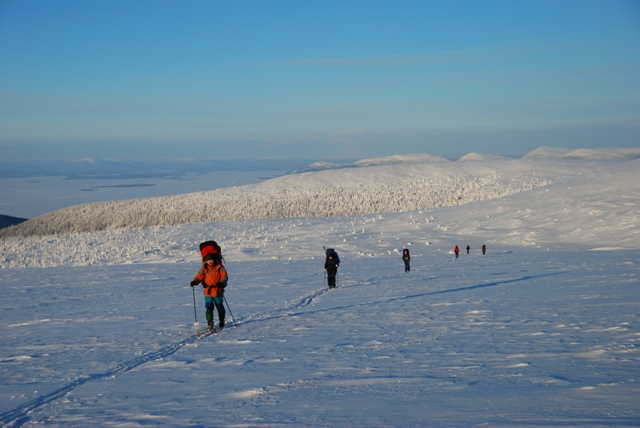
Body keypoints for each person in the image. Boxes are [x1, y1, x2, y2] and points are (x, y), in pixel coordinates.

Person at [191, 253, 228, 331]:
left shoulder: (220, 267)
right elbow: (199, 276)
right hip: (208, 292)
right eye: (208, 260)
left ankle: (222, 321)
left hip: (218, 291)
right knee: (209, 308)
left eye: (211, 260)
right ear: (206, 261)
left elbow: (224, 276)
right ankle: (210, 323)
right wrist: (195, 281)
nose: (210, 261)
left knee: (220, 308)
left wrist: (221, 282)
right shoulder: (204, 268)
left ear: (214, 260)